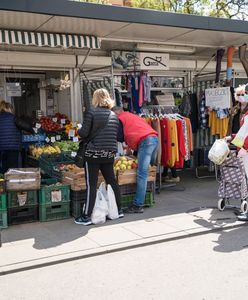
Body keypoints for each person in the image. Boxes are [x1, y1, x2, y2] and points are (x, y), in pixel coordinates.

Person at [74, 89, 123, 226]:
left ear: (95, 98)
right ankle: (118, 210)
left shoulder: (91, 112)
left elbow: (84, 133)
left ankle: (86, 216)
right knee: (112, 181)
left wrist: (78, 128)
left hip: (93, 154)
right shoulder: (114, 115)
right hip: (109, 153)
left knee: (91, 184)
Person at [112, 107, 158, 213]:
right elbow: (134, 131)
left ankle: (138, 205)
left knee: (142, 173)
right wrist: (129, 148)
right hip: (154, 139)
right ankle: (148, 196)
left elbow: (119, 137)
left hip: (146, 142)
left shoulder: (120, 118)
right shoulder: (131, 115)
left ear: (116, 113)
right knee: (149, 171)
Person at [0, 101, 34, 173]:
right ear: (8, 108)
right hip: (12, 148)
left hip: (1, 148)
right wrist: (32, 131)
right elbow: (26, 126)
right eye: (11, 109)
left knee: (4, 167)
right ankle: (11, 182)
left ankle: (4, 182)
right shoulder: (13, 118)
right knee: (12, 168)